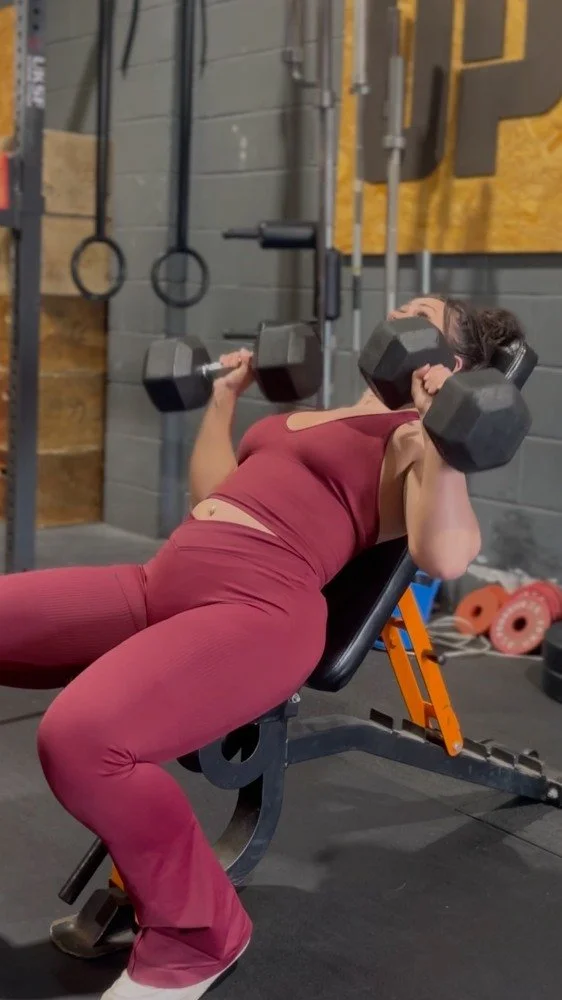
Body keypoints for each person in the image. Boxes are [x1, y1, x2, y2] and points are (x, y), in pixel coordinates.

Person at [0, 295, 527, 1000]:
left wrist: (442, 433)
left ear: (449, 364)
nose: (396, 314)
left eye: (418, 313)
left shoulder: (412, 438)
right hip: (161, 581)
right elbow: (212, 494)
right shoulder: (311, 414)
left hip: (259, 609)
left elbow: (447, 554)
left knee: (80, 739)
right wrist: (223, 400)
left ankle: (200, 937)